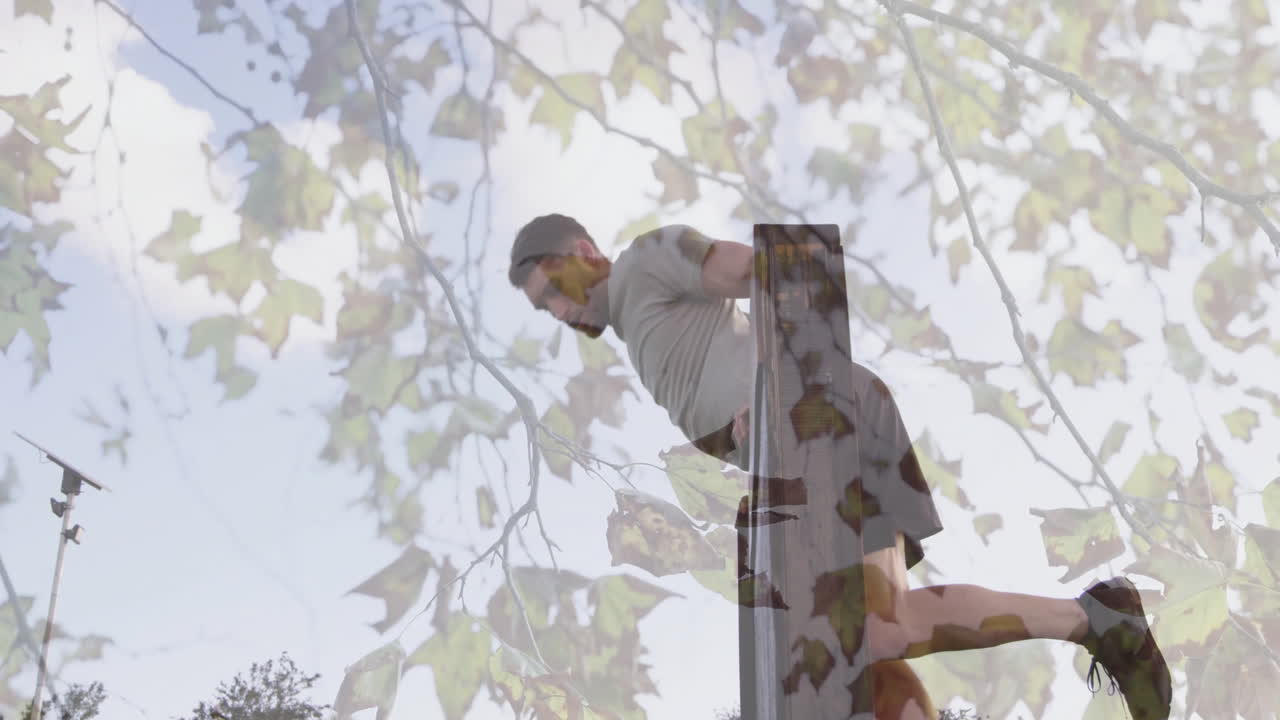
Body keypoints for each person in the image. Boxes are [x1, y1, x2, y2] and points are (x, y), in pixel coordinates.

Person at [508, 213, 1171, 720]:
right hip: (802, 450)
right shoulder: (639, 327)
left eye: (552, 291)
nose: (558, 312)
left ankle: (1099, 619)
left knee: (874, 631)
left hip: (828, 419)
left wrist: (773, 387)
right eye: (544, 309)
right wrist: (746, 429)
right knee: (876, 636)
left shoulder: (647, 260)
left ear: (583, 251)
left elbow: (773, 267)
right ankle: (1097, 619)